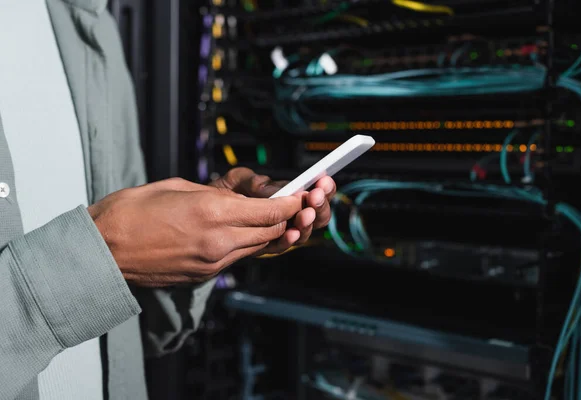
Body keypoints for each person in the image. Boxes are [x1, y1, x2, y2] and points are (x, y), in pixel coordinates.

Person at [0, 1, 336, 399]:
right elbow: (104, 260)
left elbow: (127, 336)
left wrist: (203, 236)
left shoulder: (86, 22)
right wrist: (103, 255)